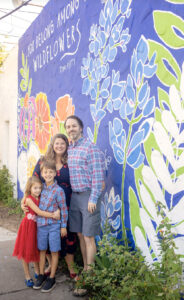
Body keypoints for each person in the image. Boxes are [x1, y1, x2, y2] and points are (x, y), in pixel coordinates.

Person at [64, 115, 104, 297]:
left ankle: (89, 277)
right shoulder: (70, 149)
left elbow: (98, 176)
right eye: (68, 127)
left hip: (88, 196)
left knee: (89, 237)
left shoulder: (90, 148)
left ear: (81, 128)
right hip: (75, 197)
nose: (70, 129)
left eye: (74, 126)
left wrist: (93, 199)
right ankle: (86, 269)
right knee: (80, 234)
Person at [33, 133, 78, 279]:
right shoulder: (43, 161)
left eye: (62, 144)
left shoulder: (70, 162)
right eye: (57, 143)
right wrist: (26, 200)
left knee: (67, 234)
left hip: (67, 206)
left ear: (66, 146)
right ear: (52, 144)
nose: (59, 146)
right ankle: (52, 264)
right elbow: (33, 180)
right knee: (45, 235)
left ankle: (71, 268)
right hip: (45, 208)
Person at [13, 176, 60, 287]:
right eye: (35, 188)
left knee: (35, 249)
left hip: (38, 226)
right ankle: (27, 276)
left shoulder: (41, 196)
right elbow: (39, 212)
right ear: (30, 188)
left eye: (39, 188)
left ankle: (38, 272)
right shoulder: (28, 199)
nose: (38, 190)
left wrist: (57, 209)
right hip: (28, 227)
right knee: (26, 251)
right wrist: (53, 215)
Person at [33, 159, 68, 292]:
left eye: (50, 172)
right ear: (41, 174)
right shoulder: (39, 188)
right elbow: (30, 197)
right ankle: (41, 275)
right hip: (41, 225)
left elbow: (63, 209)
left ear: (55, 173)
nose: (48, 174)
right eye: (45, 172)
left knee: (54, 250)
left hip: (54, 225)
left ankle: (51, 278)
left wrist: (63, 226)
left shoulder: (59, 190)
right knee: (42, 250)